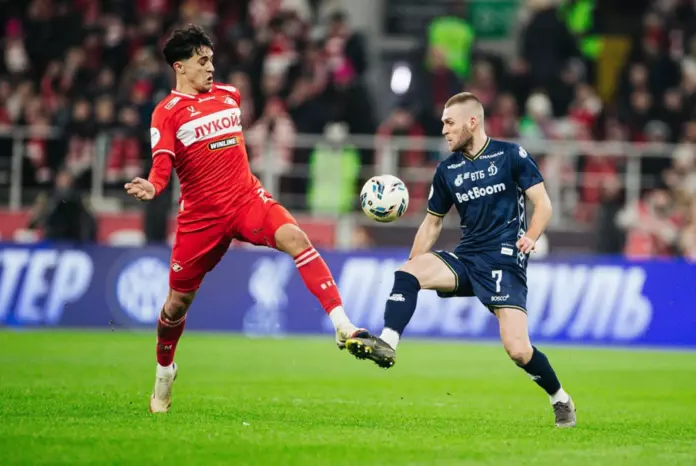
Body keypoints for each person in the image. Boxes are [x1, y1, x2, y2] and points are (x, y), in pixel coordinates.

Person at [124, 25, 370, 413]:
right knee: (175, 306)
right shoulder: (166, 113)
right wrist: (153, 188)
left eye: (211, 60)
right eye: (202, 61)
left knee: (297, 238)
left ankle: (343, 325)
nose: (211, 67)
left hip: (246, 200)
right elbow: (162, 165)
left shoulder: (229, 96)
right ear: (179, 66)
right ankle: (164, 372)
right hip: (201, 218)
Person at [344, 92, 576, 428]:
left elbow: (543, 203)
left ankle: (560, 398)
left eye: (449, 123)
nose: (444, 130)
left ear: (472, 121)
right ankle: (388, 342)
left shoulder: (510, 155)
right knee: (407, 271)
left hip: (504, 262)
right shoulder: (447, 170)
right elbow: (432, 223)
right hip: (467, 257)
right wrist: (413, 270)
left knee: (518, 350)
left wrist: (531, 235)